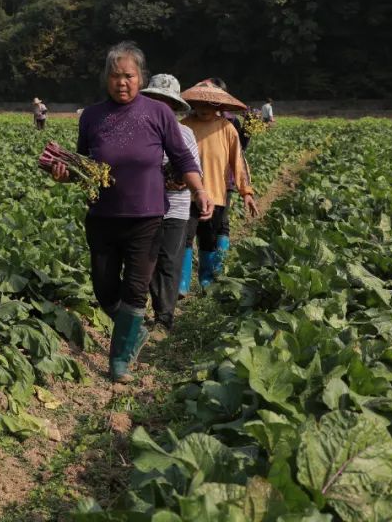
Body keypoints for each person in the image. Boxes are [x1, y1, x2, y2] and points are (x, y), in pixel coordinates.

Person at [50, 42, 212, 383]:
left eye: (129, 75)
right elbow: (85, 166)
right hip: (103, 217)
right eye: (115, 75)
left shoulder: (158, 114)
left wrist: (199, 189)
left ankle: (120, 359)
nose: (121, 82)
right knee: (105, 289)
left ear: (141, 78)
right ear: (105, 79)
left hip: (147, 217)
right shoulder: (92, 116)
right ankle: (134, 332)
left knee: (135, 290)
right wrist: (64, 175)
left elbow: (182, 158)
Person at [180, 84, 259, 292]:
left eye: (209, 103)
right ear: (192, 104)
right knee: (185, 238)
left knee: (209, 240)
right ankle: (181, 285)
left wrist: (246, 192)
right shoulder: (183, 126)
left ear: (218, 105)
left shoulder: (227, 128)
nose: (204, 107)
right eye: (199, 103)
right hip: (186, 195)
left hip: (216, 195)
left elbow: (238, 163)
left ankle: (207, 283)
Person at [140, 74, 201, 330]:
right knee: (147, 260)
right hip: (143, 206)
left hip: (175, 207)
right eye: (154, 100)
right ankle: (148, 308)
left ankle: (164, 317)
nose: (160, 106)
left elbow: (193, 171)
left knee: (169, 260)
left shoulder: (185, 134)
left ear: (175, 106)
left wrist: (172, 179)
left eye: (166, 102)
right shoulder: (138, 131)